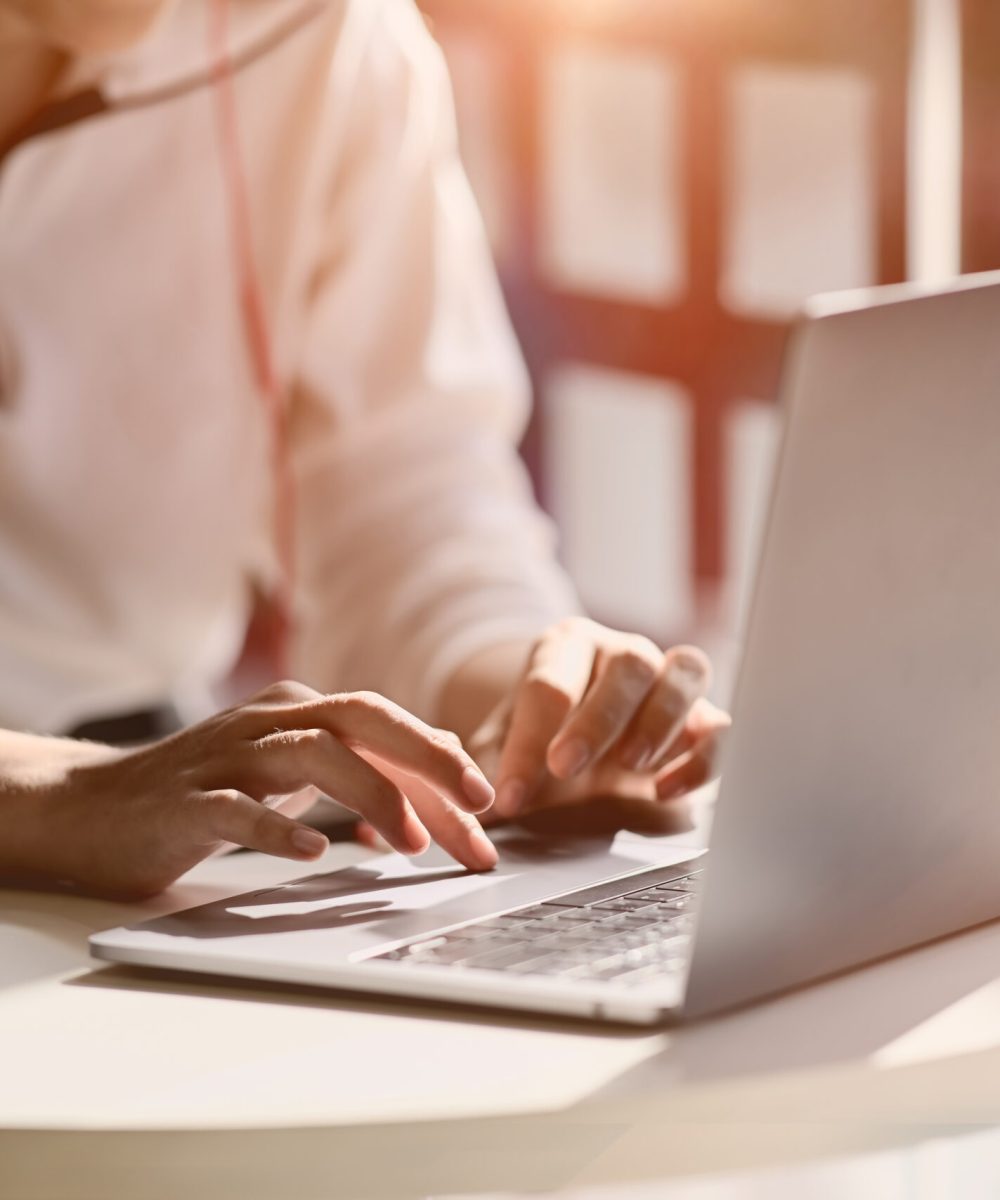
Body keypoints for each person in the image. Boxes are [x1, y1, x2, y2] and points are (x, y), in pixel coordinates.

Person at [0, 0, 729, 898]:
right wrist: (48, 797)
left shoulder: (323, 35)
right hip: (97, 796)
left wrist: (535, 713)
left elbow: (402, 503)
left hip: (130, 796)